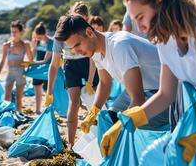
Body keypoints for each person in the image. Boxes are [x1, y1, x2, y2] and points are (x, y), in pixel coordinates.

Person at [99, 0, 196, 161]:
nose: (138, 26)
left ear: (159, 2)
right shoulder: (165, 41)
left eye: (140, 17)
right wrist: (128, 121)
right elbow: (166, 94)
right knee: (152, 156)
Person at [54, 13, 170, 150]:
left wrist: (120, 127)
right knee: (106, 119)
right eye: (72, 49)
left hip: (169, 94)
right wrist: (94, 111)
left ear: (89, 32)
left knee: (122, 127)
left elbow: (137, 98)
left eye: (77, 45)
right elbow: (104, 82)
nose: (77, 52)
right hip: (147, 89)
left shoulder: (119, 46)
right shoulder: (96, 50)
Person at [45, 1, 99, 147]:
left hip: (89, 64)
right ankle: (70, 143)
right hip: (71, 66)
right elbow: (54, 64)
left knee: (94, 102)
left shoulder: (89, 31)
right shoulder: (61, 34)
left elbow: (95, 58)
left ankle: (97, 136)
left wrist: (89, 80)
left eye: (83, 20)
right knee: (74, 103)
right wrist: (49, 92)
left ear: (87, 19)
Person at [0, 20, 33, 112]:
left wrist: (33, 46)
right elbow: (2, 61)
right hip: (10, 73)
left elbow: (31, 60)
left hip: (21, 73)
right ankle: (6, 115)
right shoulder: (6, 45)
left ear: (21, 32)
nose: (13, 33)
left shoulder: (25, 45)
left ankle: (19, 115)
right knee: (6, 97)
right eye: (12, 31)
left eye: (15, 31)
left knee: (18, 98)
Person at [31, 22, 54, 114]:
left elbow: (46, 60)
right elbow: (32, 56)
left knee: (47, 90)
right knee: (37, 88)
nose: (38, 38)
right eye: (37, 36)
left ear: (44, 34)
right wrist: (33, 46)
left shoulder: (51, 42)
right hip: (37, 69)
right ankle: (37, 109)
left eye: (39, 37)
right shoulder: (37, 42)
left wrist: (32, 63)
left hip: (47, 70)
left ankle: (49, 108)